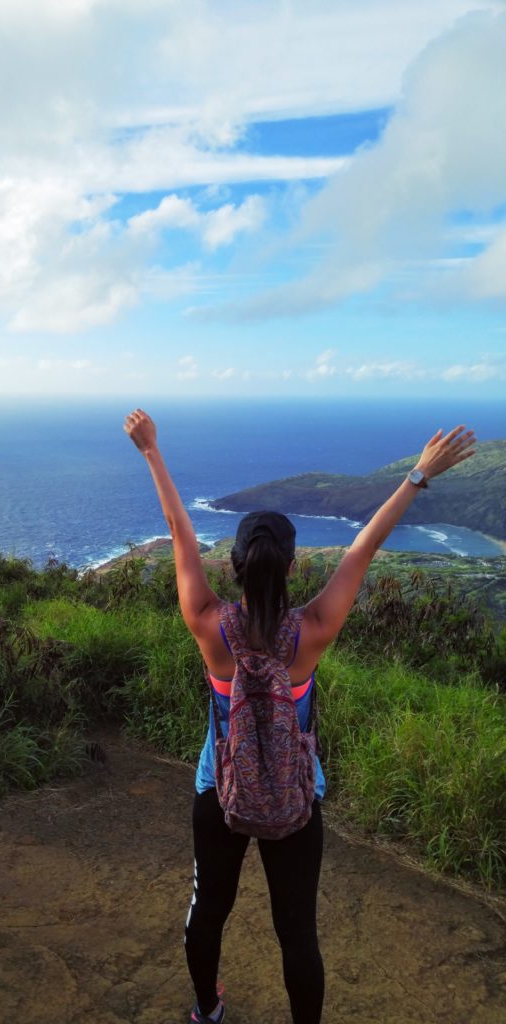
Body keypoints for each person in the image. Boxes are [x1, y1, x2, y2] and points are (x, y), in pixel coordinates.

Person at [124, 409, 475, 1024]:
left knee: (209, 911)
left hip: (220, 791)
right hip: (295, 798)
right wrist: (419, 474)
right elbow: (363, 549)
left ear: (233, 567)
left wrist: (152, 451)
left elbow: (179, 532)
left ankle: (208, 1011)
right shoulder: (311, 631)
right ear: (292, 569)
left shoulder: (209, 626)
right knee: (297, 933)